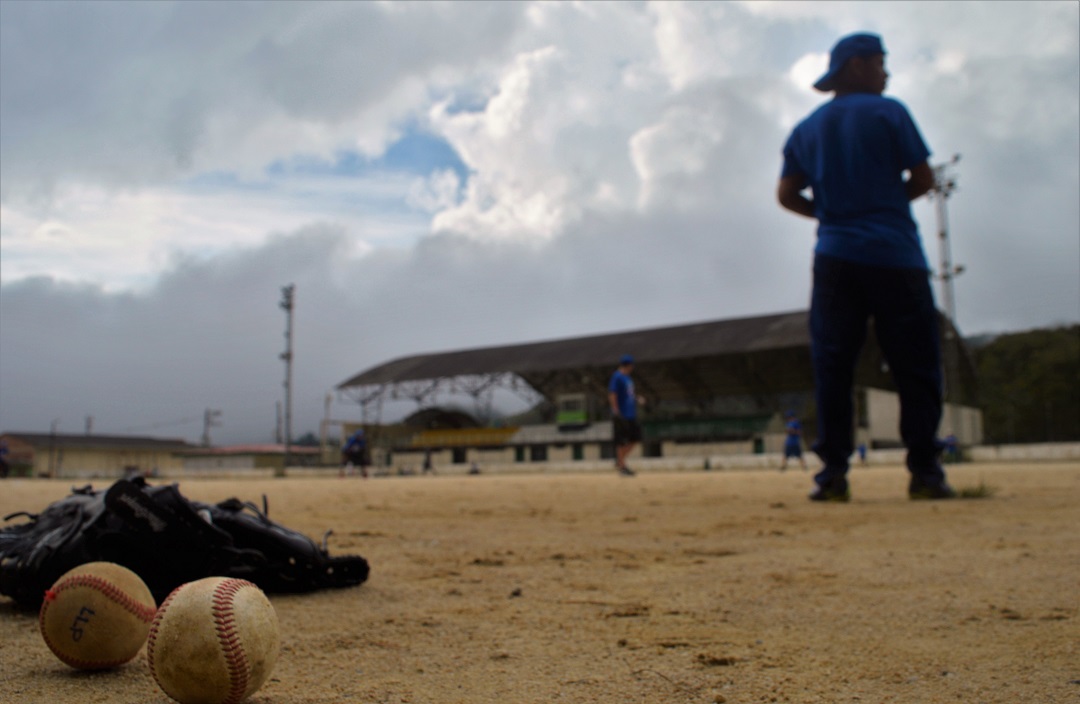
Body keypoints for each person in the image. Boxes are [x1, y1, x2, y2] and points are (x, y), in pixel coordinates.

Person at [777, 32, 955, 502]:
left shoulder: (807, 128)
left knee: (833, 364)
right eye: (880, 62)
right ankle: (925, 472)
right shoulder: (889, 111)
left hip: (835, 257)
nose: (886, 72)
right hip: (895, 253)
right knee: (915, 363)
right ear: (855, 66)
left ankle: (833, 474)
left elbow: (786, 194)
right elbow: (923, 177)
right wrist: (882, 203)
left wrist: (833, 214)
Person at [609, 354, 642, 477]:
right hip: (622, 413)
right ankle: (622, 466)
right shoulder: (617, 377)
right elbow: (612, 394)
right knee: (622, 441)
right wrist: (615, 409)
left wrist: (637, 399)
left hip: (631, 413)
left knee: (636, 438)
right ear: (628, 365)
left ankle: (620, 461)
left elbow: (630, 394)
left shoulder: (628, 378)